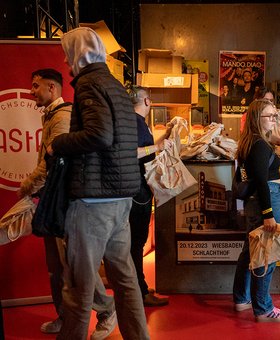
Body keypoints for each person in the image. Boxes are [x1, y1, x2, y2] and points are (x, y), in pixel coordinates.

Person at [47, 27, 149, 339]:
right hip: (121, 200)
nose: (66, 62)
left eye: (68, 54)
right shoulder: (116, 86)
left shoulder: (89, 85)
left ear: (77, 53)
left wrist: (59, 143)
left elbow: (99, 135)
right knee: (125, 279)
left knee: (78, 286)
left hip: (92, 201)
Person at [17, 68, 116, 337]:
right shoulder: (52, 116)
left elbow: (53, 164)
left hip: (63, 203)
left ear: (53, 88)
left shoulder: (61, 118)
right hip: (52, 202)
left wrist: (27, 186)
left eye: (36, 86)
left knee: (73, 267)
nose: (32, 91)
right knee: (57, 267)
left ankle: (107, 310)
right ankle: (65, 315)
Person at [232, 98, 280, 323]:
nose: (274, 120)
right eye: (270, 116)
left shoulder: (253, 142)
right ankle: (264, 308)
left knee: (251, 252)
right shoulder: (259, 145)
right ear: (258, 119)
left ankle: (242, 299)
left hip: (256, 202)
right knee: (267, 254)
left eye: (274, 116)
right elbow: (261, 181)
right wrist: (268, 214)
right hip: (265, 201)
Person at [126, 84, 171, 307]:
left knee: (135, 243)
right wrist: (159, 147)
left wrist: (162, 139)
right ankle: (140, 294)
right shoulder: (135, 123)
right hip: (137, 193)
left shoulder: (135, 123)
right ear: (146, 101)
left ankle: (138, 288)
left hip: (136, 191)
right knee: (135, 244)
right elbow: (131, 153)